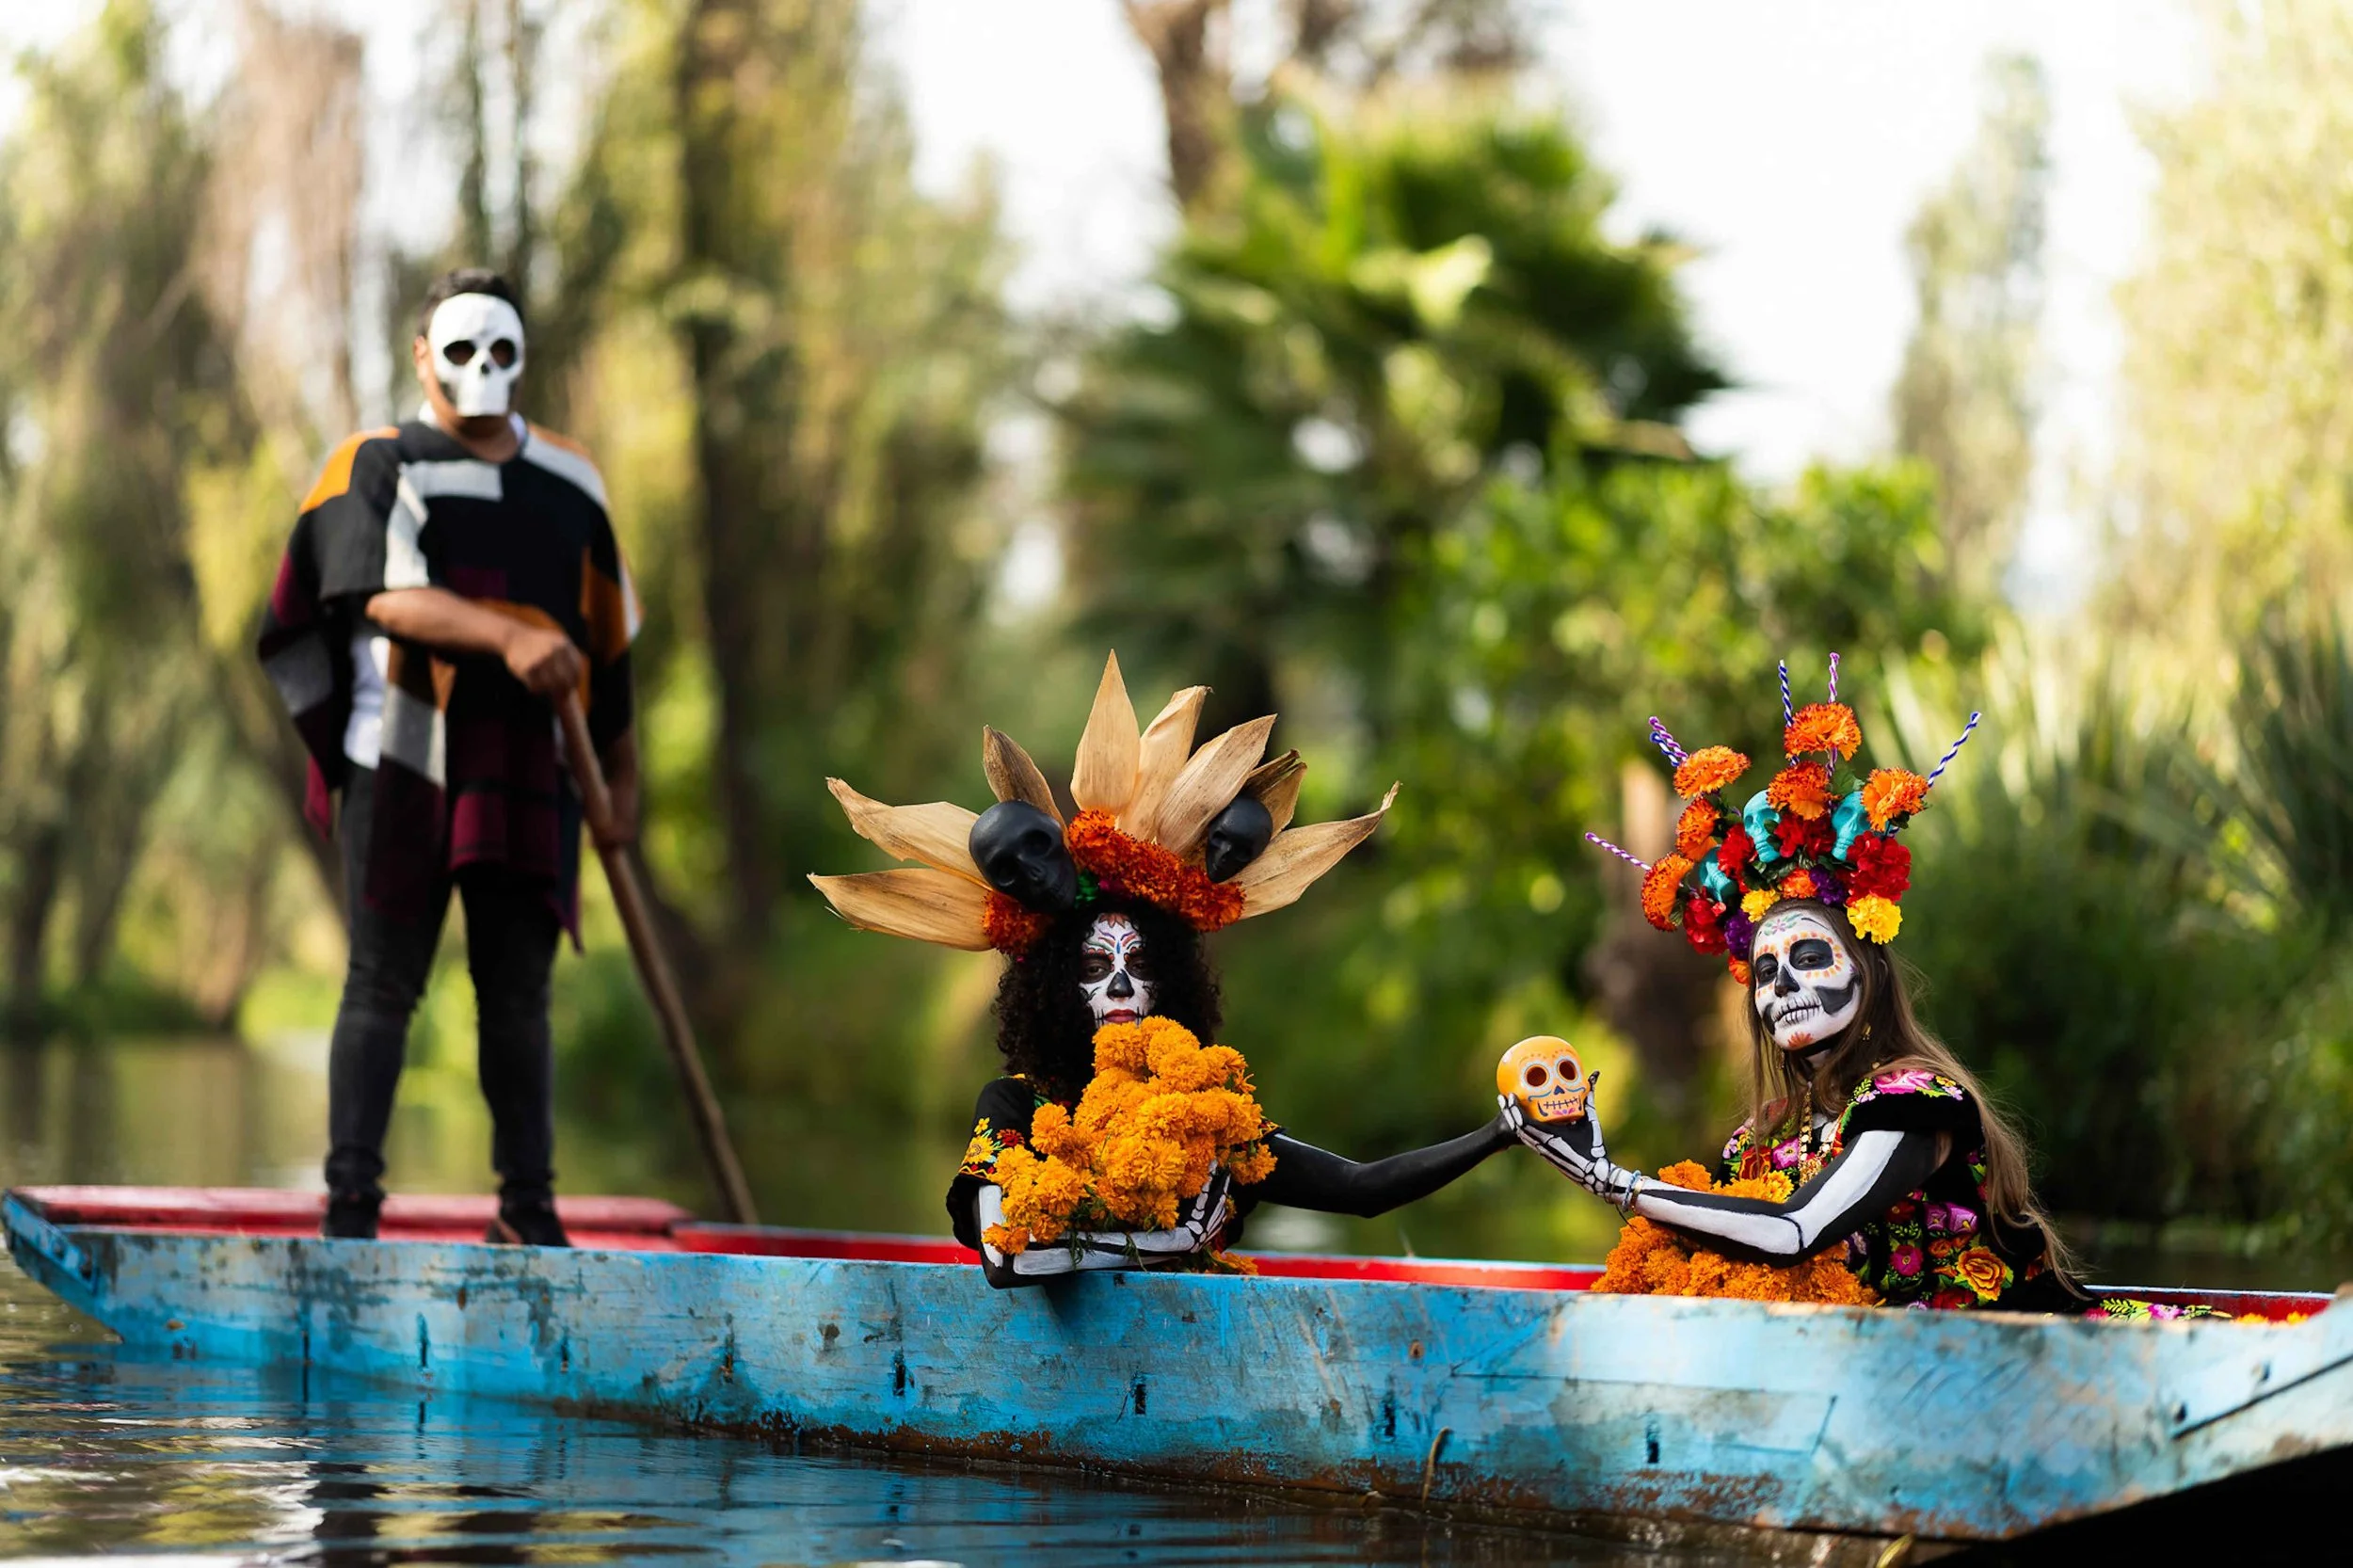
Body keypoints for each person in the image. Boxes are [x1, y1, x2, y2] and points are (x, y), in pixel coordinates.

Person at [809, 655, 1514, 1287]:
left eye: (1138, 964)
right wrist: (1181, 1236)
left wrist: (1502, 1131)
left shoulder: (1208, 1111)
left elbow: (1362, 1189)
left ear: (1171, 981)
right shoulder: (1016, 1108)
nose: (1119, 984)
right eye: (1094, 965)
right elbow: (1007, 1257)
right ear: (1052, 988)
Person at [256, 268, 641, 1245]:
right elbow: (378, 591)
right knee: (382, 979)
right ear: (422, 357)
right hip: (403, 759)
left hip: (530, 770)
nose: (480, 369)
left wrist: (619, 783)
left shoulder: (571, 481)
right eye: (458, 349)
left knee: (517, 994)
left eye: (500, 350)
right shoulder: (374, 463)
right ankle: (350, 1215)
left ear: (523, 357)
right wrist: (510, 637)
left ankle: (529, 1213)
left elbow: (610, 642)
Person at [1510, 661, 2084, 1312]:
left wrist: (1609, 1179)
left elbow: (1794, 1232)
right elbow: (1723, 1250)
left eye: (1810, 956)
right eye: (1764, 972)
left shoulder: (1916, 1102)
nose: (1782, 986)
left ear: (1867, 973)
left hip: (2019, 1372)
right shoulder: (1763, 1142)